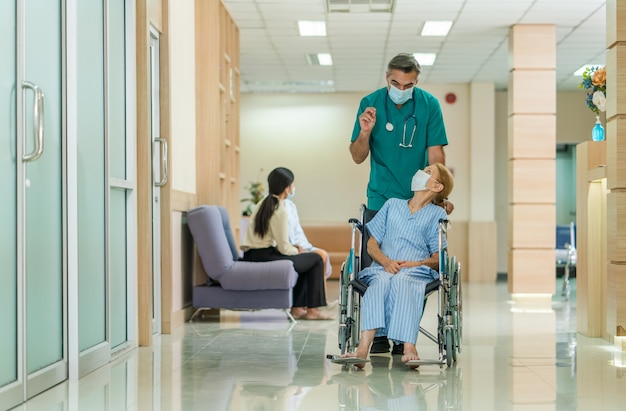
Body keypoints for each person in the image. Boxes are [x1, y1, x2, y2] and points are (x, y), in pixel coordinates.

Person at [349, 52, 451, 353]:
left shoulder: (429, 105)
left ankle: (401, 334)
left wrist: (438, 194)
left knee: (409, 271)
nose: (401, 89)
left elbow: (436, 156)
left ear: (416, 82)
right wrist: (365, 132)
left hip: (417, 198)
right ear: (387, 78)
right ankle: (378, 335)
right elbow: (357, 156)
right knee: (380, 268)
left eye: (408, 85)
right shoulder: (370, 104)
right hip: (381, 197)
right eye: (396, 83)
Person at [341, 163, 454, 368]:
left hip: (416, 271)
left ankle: (409, 346)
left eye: (427, 172)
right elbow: (371, 244)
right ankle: (362, 348)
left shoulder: (436, 215)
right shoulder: (392, 204)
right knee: (380, 282)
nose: (420, 173)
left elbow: (438, 258)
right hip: (382, 267)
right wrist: (385, 261)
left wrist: (415, 263)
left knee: (403, 280)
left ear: (437, 187)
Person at [240, 167, 333, 320]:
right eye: (292, 184)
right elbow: (284, 248)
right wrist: (297, 251)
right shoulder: (280, 209)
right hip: (265, 256)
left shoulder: (264, 203)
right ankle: (313, 311)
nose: (294, 187)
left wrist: (295, 250)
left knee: (307, 260)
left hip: (254, 254)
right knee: (315, 260)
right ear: (287, 187)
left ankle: (297, 309)